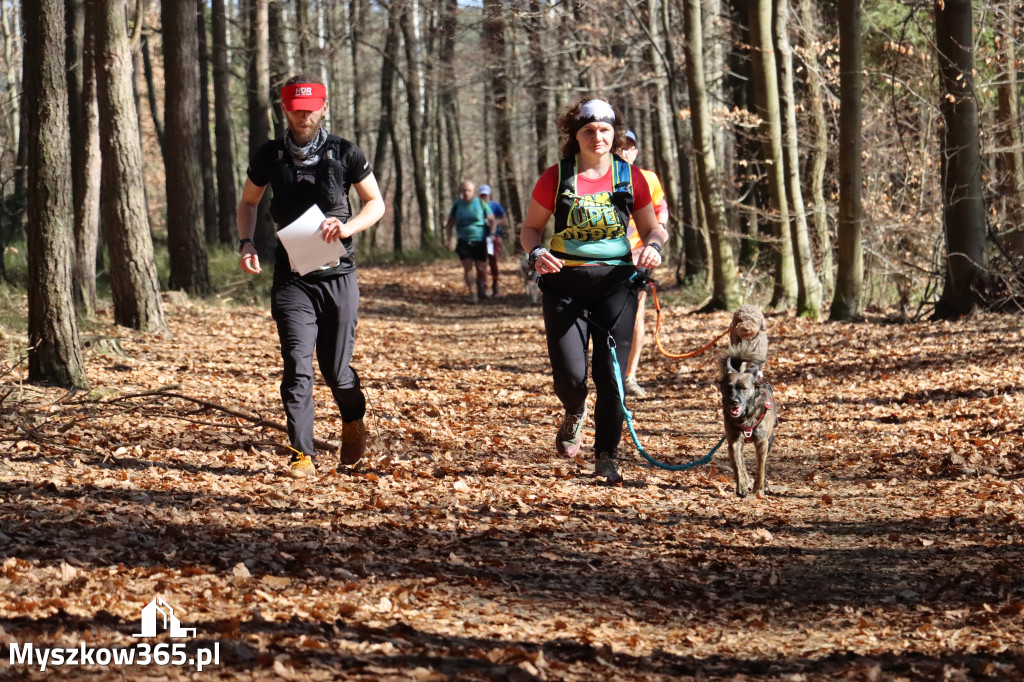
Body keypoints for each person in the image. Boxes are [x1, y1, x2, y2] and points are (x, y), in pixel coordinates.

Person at [237, 74, 385, 478]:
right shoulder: (269, 155)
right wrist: (246, 243)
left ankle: (354, 421)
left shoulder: (345, 152)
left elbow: (375, 203)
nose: (304, 116)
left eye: (311, 108)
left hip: (338, 275)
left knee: (336, 372)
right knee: (297, 365)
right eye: (296, 109)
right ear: (284, 109)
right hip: (292, 278)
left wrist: (349, 228)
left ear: (323, 107)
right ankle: (302, 454)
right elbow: (248, 202)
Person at [520, 97, 669, 484]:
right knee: (570, 376)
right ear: (576, 136)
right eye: (589, 130)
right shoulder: (556, 177)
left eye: (605, 130)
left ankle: (606, 455)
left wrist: (651, 247)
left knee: (612, 377)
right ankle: (574, 410)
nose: (598, 137)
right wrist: (536, 252)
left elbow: (654, 228)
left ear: (614, 134)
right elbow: (530, 228)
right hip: (564, 287)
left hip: (615, 288)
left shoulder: (630, 177)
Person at [617, 130, 669, 398]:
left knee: (636, 315)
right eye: (620, 147)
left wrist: (659, 231)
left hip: (639, 254)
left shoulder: (647, 178)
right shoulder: (601, 178)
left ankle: (630, 375)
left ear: (635, 152)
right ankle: (608, 369)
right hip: (605, 257)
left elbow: (660, 207)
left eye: (630, 148)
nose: (625, 152)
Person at [444, 181, 495, 302]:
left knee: (481, 269)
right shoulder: (457, 205)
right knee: (467, 268)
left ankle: (481, 287)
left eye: (469, 190)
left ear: (473, 191)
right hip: (463, 240)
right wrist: (448, 239)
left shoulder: (481, 204)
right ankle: (473, 293)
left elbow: (492, 220)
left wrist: (492, 235)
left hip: (479, 240)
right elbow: (450, 224)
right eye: (464, 190)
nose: (466, 193)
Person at [477, 184, 507, 297]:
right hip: (480, 238)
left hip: (494, 238)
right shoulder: (476, 207)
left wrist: (494, 223)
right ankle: (483, 288)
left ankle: (495, 286)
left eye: (486, 194)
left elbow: (505, 220)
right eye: (482, 195)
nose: (484, 197)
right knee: (482, 264)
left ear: (489, 194)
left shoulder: (495, 206)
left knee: (493, 262)